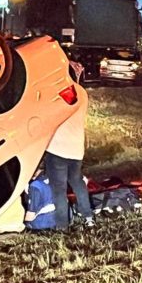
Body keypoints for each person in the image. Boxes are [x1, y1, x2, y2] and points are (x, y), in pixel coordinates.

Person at [44, 62, 94, 227]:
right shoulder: (82, 93)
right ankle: (88, 218)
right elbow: (73, 96)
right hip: (76, 149)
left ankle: (62, 226)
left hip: (58, 149)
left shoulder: (62, 93)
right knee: (77, 182)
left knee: (59, 189)